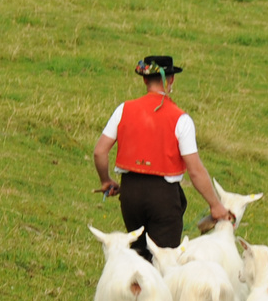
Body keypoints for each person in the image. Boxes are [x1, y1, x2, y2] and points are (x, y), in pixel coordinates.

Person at [92, 55, 232, 259]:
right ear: (171, 80)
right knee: (164, 261)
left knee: (138, 256)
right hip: (163, 197)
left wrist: (105, 180)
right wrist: (215, 205)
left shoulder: (124, 109)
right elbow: (195, 170)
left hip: (130, 194)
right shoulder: (181, 119)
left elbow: (99, 151)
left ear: (145, 80)